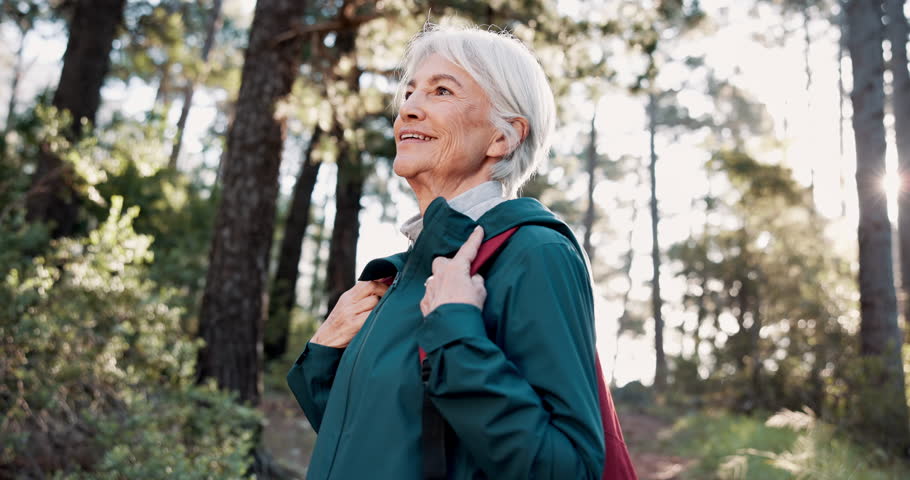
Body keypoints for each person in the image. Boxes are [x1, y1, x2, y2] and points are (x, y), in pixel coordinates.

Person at [288, 24, 607, 479]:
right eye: (411, 91)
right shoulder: (400, 275)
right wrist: (323, 360)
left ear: (503, 137)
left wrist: (456, 332)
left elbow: (569, 469)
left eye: (441, 91)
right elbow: (391, 444)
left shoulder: (535, 253)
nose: (409, 109)